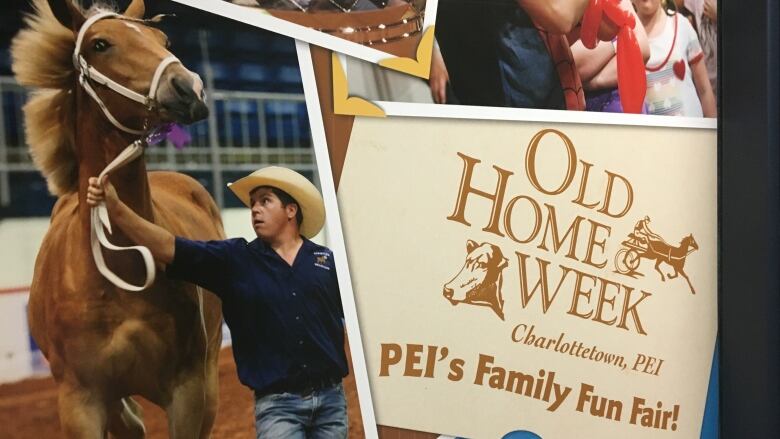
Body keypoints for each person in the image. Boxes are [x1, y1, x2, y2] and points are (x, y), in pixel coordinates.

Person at [87, 166, 349, 439]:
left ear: (291, 210)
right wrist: (117, 212)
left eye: (265, 201)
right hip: (278, 407)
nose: (255, 210)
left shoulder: (326, 261)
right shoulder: (235, 260)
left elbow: (362, 317)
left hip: (332, 401)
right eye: (252, 204)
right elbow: (168, 246)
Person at [633, 0, 716, 117]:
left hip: (690, 131)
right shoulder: (626, 36)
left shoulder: (681, 25)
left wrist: (711, 130)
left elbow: (704, 90)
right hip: (651, 133)